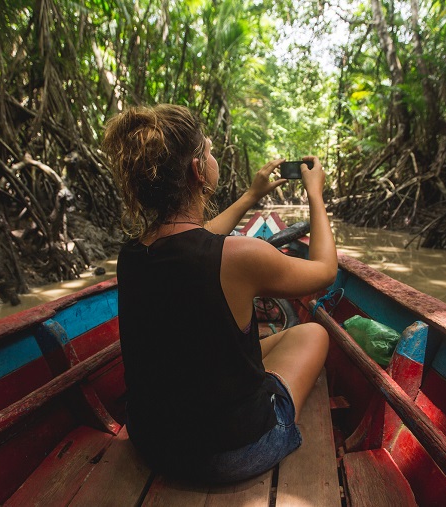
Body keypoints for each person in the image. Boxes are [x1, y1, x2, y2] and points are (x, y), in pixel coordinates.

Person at [102, 104, 337, 483]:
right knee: (313, 333)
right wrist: (316, 195)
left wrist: (250, 196)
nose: (213, 158)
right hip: (234, 453)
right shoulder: (240, 256)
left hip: (151, 442)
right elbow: (325, 271)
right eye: (209, 151)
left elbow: (197, 235)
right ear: (198, 170)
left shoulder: (132, 252)